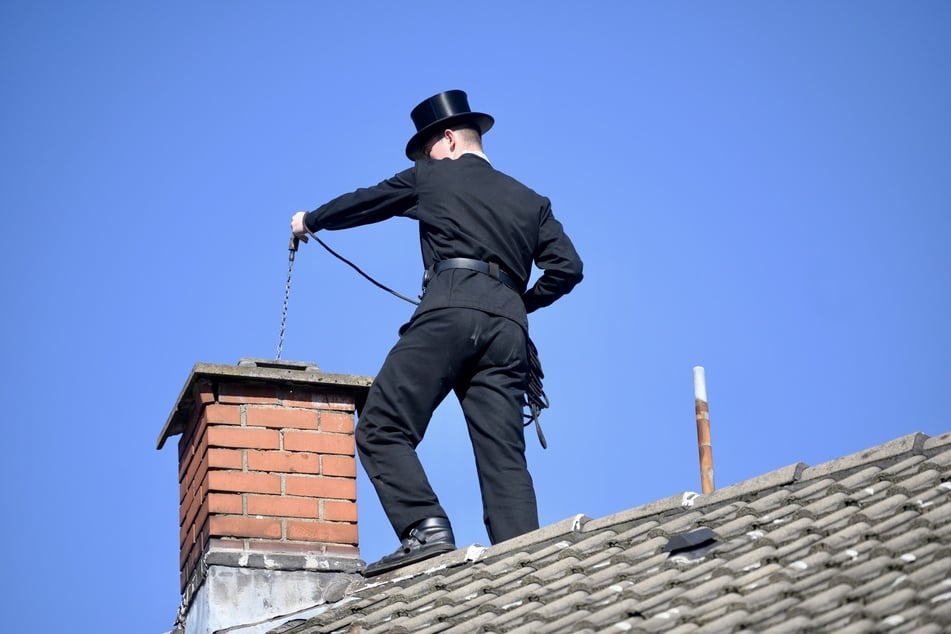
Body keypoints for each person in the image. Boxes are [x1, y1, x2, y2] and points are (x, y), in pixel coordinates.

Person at [290, 89, 583, 577]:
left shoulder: (433, 177)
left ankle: (425, 527)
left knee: (382, 425)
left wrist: (310, 220)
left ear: (446, 139)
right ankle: (526, 560)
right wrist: (515, 301)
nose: (425, 158)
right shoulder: (532, 201)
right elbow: (568, 268)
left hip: (450, 309)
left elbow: (369, 201)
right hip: (510, 331)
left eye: (425, 149)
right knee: (504, 455)